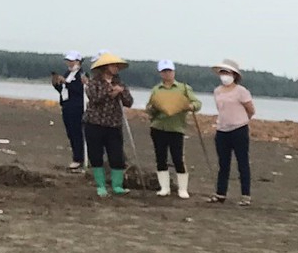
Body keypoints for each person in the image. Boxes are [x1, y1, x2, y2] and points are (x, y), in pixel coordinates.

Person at [145, 60, 200, 199]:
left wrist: (190, 106)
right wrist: (152, 109)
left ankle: (182, 189)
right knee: (160, 157)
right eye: (164, 71)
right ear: (160, 73)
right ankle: (164, 188)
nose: (167, 73)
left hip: (176, 128)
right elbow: (149, 108)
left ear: (174, 72)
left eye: (169, 70)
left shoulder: (184, 88)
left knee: (178, 158)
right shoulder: (156, 89)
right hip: (158, 126)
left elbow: (197, 103)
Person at [82, 53, 133, 197]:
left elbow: (129, 102)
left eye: (117, 66)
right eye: (113, 65)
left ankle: (117, 185)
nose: (116, 68)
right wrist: (110, 91)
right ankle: (101, 186)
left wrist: (121, 92)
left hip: (114, 125)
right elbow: (95, 98)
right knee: (96, 155)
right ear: (104, 67)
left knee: (117, 156)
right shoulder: (94, 82)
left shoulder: (120, 83)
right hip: (94, 123)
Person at [209, 58, 255, 205]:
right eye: (222, 72)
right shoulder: (217, 91)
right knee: (223, 164)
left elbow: (251, 110)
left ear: (234, 75)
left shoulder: (241, 91)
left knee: (242, 163)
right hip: (222, 131)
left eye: (227, 72)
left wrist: (241, 121)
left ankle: (246, 195)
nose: (224, 75)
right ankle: (220, 193)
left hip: (239, 130)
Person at [56, 51, 88, 171]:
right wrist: (57, 84)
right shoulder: (68, 73)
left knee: (77, 133)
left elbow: (80, 91)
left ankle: (79, 158)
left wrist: (66, 83)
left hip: (77, 108)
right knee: (71, 133)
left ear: (78, 62)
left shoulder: (82, 75)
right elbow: (64, 90)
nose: (69, 63)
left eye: (72, 61)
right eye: (68, 61)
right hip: (67, 106)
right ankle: (76, 157)